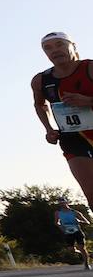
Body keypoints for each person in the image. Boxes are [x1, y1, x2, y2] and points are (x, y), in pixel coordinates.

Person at [32, 32, 93, 208]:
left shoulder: (89, 68)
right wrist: (48, 128)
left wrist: (88, 101)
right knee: (90, 193)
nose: (55, 50)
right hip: (73, 137)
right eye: (48, 48)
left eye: (59, 44)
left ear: (73, 45)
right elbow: (39, 104)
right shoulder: (40, 80)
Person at [54, 199, 91, 270]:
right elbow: (56, 222)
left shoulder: (75, 212)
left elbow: (87, 222)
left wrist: (79, 221)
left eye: (63, 203)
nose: (62, 204)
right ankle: (84, 253)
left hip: (77, 232)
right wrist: (62, 228)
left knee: (81, 247)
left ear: (67, 203)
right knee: (71, 250)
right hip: (68, 233)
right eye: (60, 203)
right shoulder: (57, 213)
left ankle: (86, 264)